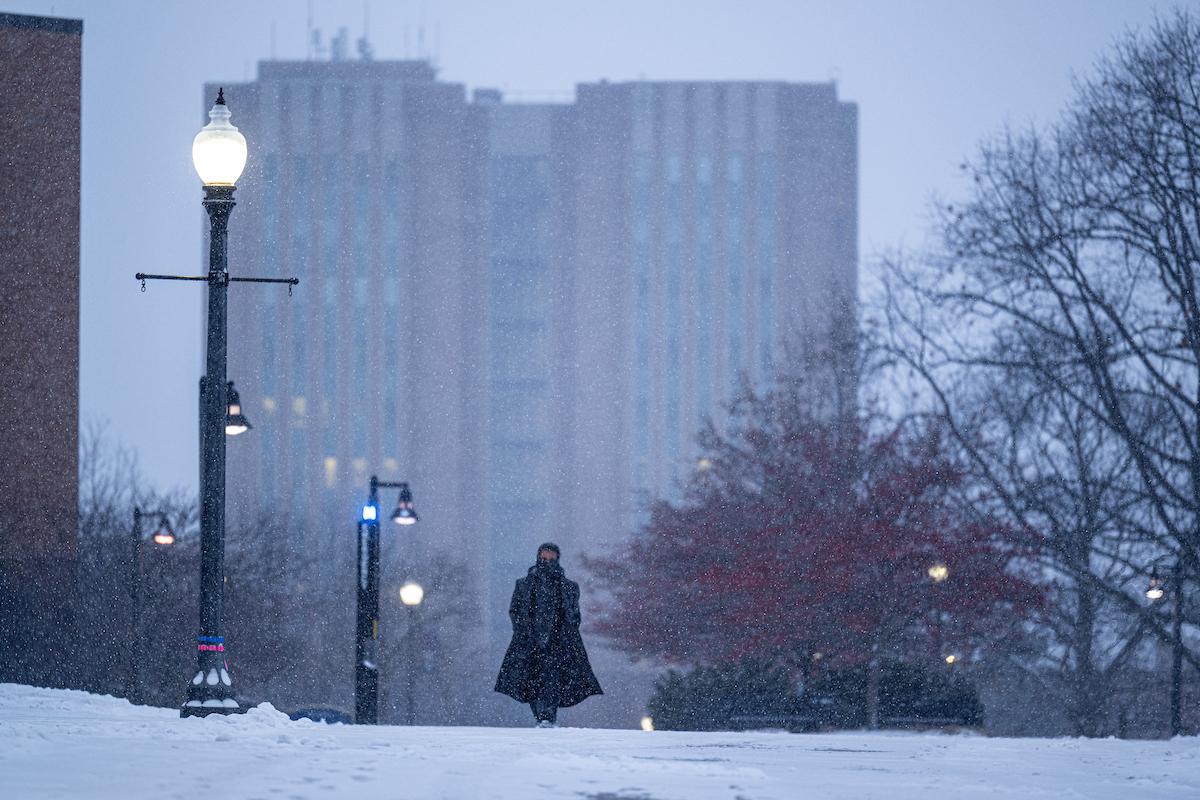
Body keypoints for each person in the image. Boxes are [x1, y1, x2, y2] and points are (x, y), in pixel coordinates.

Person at [494, 543, 603, 727]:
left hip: (556, 643)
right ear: (538, 557)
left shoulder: (568, 587)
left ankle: (547, 717)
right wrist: (524, 631)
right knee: (530, 680)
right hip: (530, 642)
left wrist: (566, 632)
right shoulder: (524, 584)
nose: (547, 562)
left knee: (551, 680)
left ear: (557, 559)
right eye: (544, 558)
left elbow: (574, 615)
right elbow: (515, 611)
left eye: (551, 558)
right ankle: (542, 717)